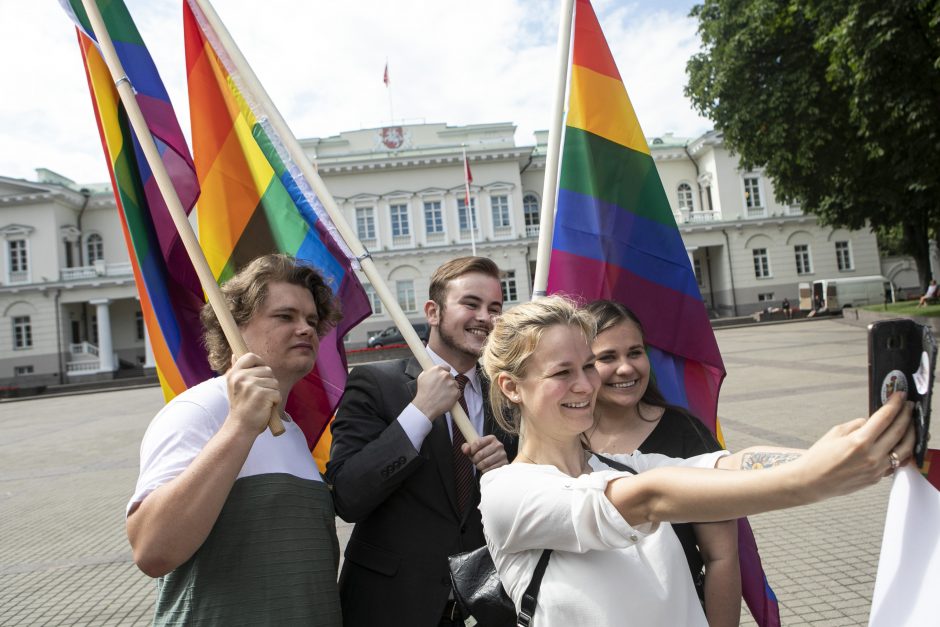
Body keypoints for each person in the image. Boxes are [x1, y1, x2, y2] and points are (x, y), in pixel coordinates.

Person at [479, 296, 914, 627]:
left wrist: (857, 447)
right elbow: (649, 499)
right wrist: (813, 479)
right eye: (562, 373)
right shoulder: (508, 493)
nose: (585, 385)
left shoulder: (623, 467)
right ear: (512, 387)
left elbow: (732, 464)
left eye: (588, 366)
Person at [126, 254, 343, 626]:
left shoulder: (288, 428)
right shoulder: (198, 411)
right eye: (285, 316)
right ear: (235, 327)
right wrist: (239, 425)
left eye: (311, 319)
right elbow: (152, 549)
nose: (306, 329)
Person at [327, 256, 517, 627]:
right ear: (433, 311)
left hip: (487, 607)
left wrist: (507, 472)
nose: (485, 318)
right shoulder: (375, 384)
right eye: (471, 304)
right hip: (391, 606)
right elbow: (347, 496)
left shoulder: (508, 395)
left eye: (495, 308)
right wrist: (418, 414)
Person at [585, 300, 740, 627]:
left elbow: (721, 557)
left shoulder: (687, 434)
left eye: (635, 352)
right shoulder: (559, 441)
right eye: (607, 357)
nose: (626, 368)